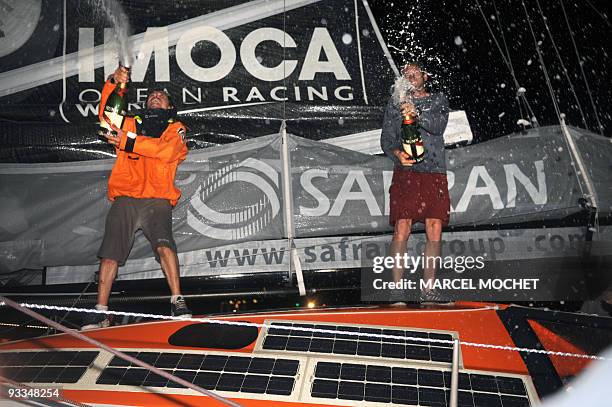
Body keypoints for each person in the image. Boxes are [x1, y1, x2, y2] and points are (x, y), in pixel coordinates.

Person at [81, 66, 192, 330]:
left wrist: (128, 142)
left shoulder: (176, 128)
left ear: (169, 106)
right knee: (109, 254)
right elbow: (107, 121)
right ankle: (101, 312)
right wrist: (114, 84)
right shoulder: (131, 123)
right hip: (126, 197)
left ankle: (177, 301)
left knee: (166, 247)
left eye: (161, 96)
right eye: (151, 95)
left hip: (157, 199)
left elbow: (166, 152)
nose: (155, 97)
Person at [380, 62, 450, 303]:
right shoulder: (395, 102)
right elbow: (387, 140)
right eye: (406, 74)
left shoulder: (438, 99)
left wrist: (416, 112)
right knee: (402, 226)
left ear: (425, 76)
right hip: (406, 173)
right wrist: (397, 154)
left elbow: (438, 127)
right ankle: (396, 288)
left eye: (415, 73)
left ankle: (428, 289)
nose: (410, 76)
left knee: (435, 227)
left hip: (434, 171)